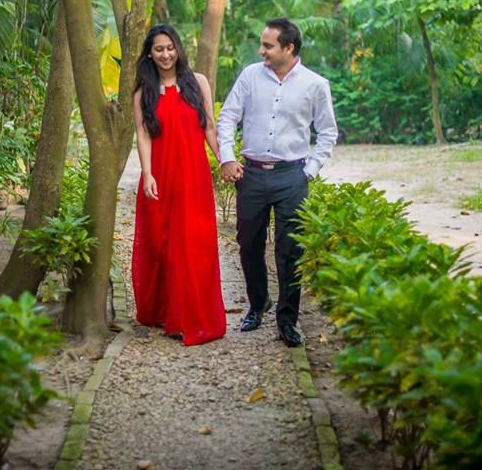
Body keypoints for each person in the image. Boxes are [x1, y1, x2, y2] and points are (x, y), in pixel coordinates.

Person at [217, 17, 338, 347]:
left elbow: (327, 132)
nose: (261, 50)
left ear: (289, 48)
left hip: (292, 177)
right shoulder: (250, 77)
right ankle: (258, 305)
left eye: (268, 45)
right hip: (251, 174)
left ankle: (287, 320)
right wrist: (227, 156)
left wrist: (309, 170)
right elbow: (228, 117)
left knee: (291, 250)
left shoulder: (315, 85)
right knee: (249, 245)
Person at [131, 24, 226, 346]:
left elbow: (209, 126)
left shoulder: (197, 83)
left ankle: (191, 316)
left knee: (193, 244)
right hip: (160, 176)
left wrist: (225, 160)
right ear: (149, 53)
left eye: (170, 47)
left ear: (178, 48)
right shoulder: (143, 91)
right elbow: (143, 134)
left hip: (193, 176)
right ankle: (162, 311)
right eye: (159, 49)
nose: (166, 54)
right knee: (161, 245)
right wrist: (147, 174)